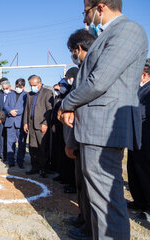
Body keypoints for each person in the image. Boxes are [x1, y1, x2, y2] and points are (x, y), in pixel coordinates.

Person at [58, 0, 148, 238]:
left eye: (85, 12)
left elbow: (98, 81)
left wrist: (67, 103)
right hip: (95, 127)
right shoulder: (107, 36)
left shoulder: (128, 30)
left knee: (107, 201)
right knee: (97, 200)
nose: (84, 19)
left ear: (100, 7)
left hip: (105, 127)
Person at [64, 29, 96, 240]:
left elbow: (79, 106)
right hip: (79, 137)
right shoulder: (83, 68)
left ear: (79, 48)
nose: (72, 55)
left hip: (89, 134)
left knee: (90, 187)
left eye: (72, 51)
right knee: (81, 184)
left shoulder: (91, 69)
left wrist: (65, 106)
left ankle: (89, 229)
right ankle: (83, 218)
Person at [127, 63, 150, 221]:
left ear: (143, 74)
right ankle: (139, 201)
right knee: (133, 170)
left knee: (146, 172)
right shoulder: (138, 91)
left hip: (146, 137)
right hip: (135, 136)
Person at [23, 75, 53, 178]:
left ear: (40, 83)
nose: (32, 87)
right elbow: (27, 109)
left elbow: (50, 110)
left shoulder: (47, 93)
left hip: (41, 125)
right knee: (32, 147)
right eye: (31, 85)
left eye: (34, 85)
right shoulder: (29, 95)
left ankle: (43, 169)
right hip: (31, 124)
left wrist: (45, 123)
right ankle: (34, 167)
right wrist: (25, 122)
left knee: (42, 148)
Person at [4, 78, 27, 168]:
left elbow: (26, 107)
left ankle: (20, 161)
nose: (18, 88)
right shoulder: (10, 94)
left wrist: (17, 112)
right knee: (10, 142)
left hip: (21, 122)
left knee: (22, 143)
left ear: (23, 87)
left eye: (20, 86)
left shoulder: (27, 95)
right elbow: (5, 105)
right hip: (10, 122)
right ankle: (11, 161)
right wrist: (10, 111)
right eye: (17, 86)